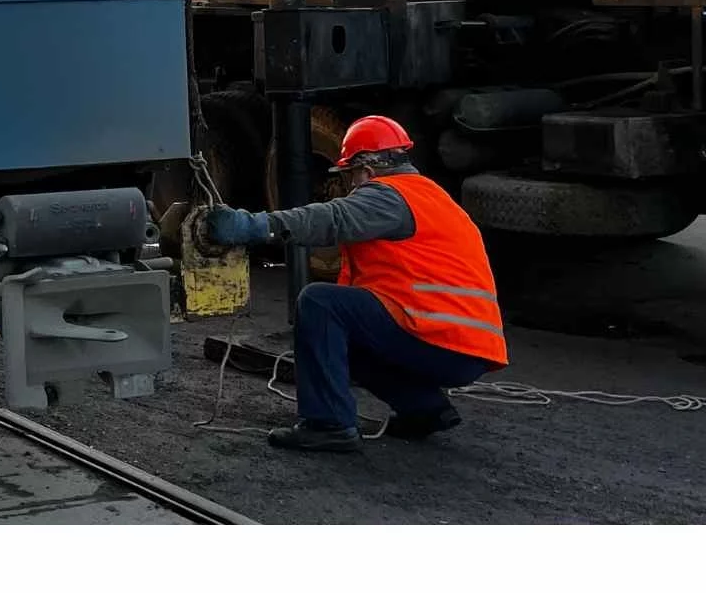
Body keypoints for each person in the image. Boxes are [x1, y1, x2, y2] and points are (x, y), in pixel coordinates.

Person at [203, 116, 507, 453]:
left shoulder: (388, 196)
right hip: (465, 347)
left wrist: (254, 226)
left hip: (437, 337)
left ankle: (328, 424)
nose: (349, 186)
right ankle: (424, 409)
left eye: (349, 175)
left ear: (366, 170)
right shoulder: (430, 196)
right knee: (348, 337)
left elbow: (330, 218)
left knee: (319, 302)